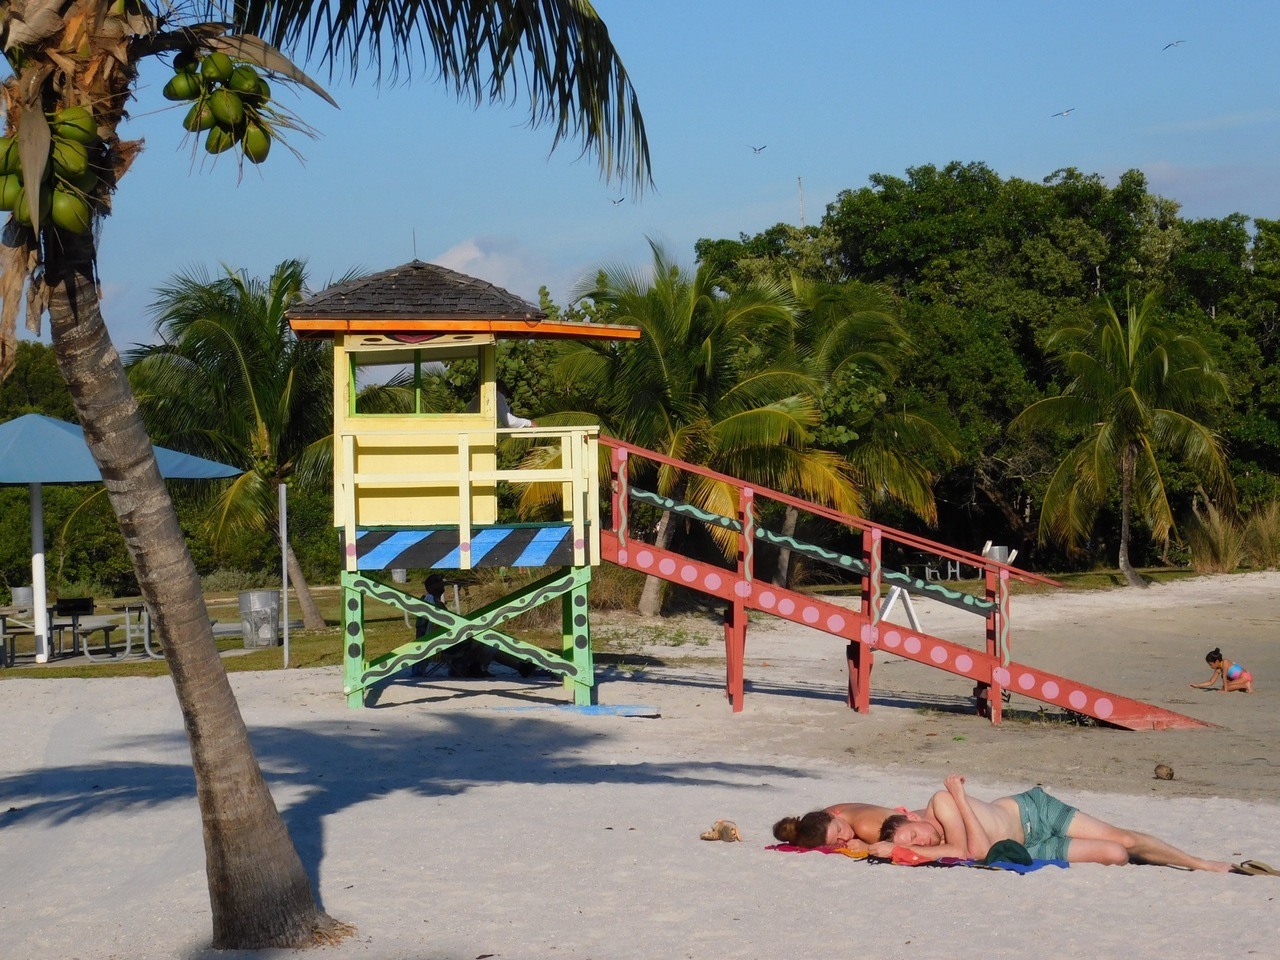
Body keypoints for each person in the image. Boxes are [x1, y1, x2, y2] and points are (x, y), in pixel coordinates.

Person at [870, 773, 1233, 872]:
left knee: (1123, 837)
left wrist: (961, 797)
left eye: (916, 834)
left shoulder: (943, 801)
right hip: (1031, 846)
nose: (923, 843)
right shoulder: (938, 838)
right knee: (1116, 855)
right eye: (914, 844)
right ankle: (1147, 855)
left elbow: (976, 850)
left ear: (913, 816)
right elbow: (963, 849)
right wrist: (896, 848)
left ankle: (1198, 862)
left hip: (1032, 811)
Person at [772, 802, 926, 853]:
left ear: (834, 815)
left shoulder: (863, 827)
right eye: (837, 840)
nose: (845, 837)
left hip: (930, 824)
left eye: (839, 830)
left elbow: (900, 848)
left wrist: (867, 848)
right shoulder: (828, 813)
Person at [466, 379, 536, 428]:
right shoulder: (496, 395)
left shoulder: (478, 397)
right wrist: (529, 423)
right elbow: (509, 421)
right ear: (501, 389)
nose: (504, 397)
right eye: (505, 394)